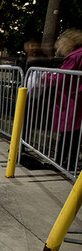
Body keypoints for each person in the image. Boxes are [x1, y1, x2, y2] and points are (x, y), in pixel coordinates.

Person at [52, 29, 82, 171]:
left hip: (73, 99)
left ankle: (61, 162)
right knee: (74, 133)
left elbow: (62, 79)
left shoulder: (75, 56)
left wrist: (46, 77)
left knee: (69, 132)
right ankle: (69, 161)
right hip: (75, 98)